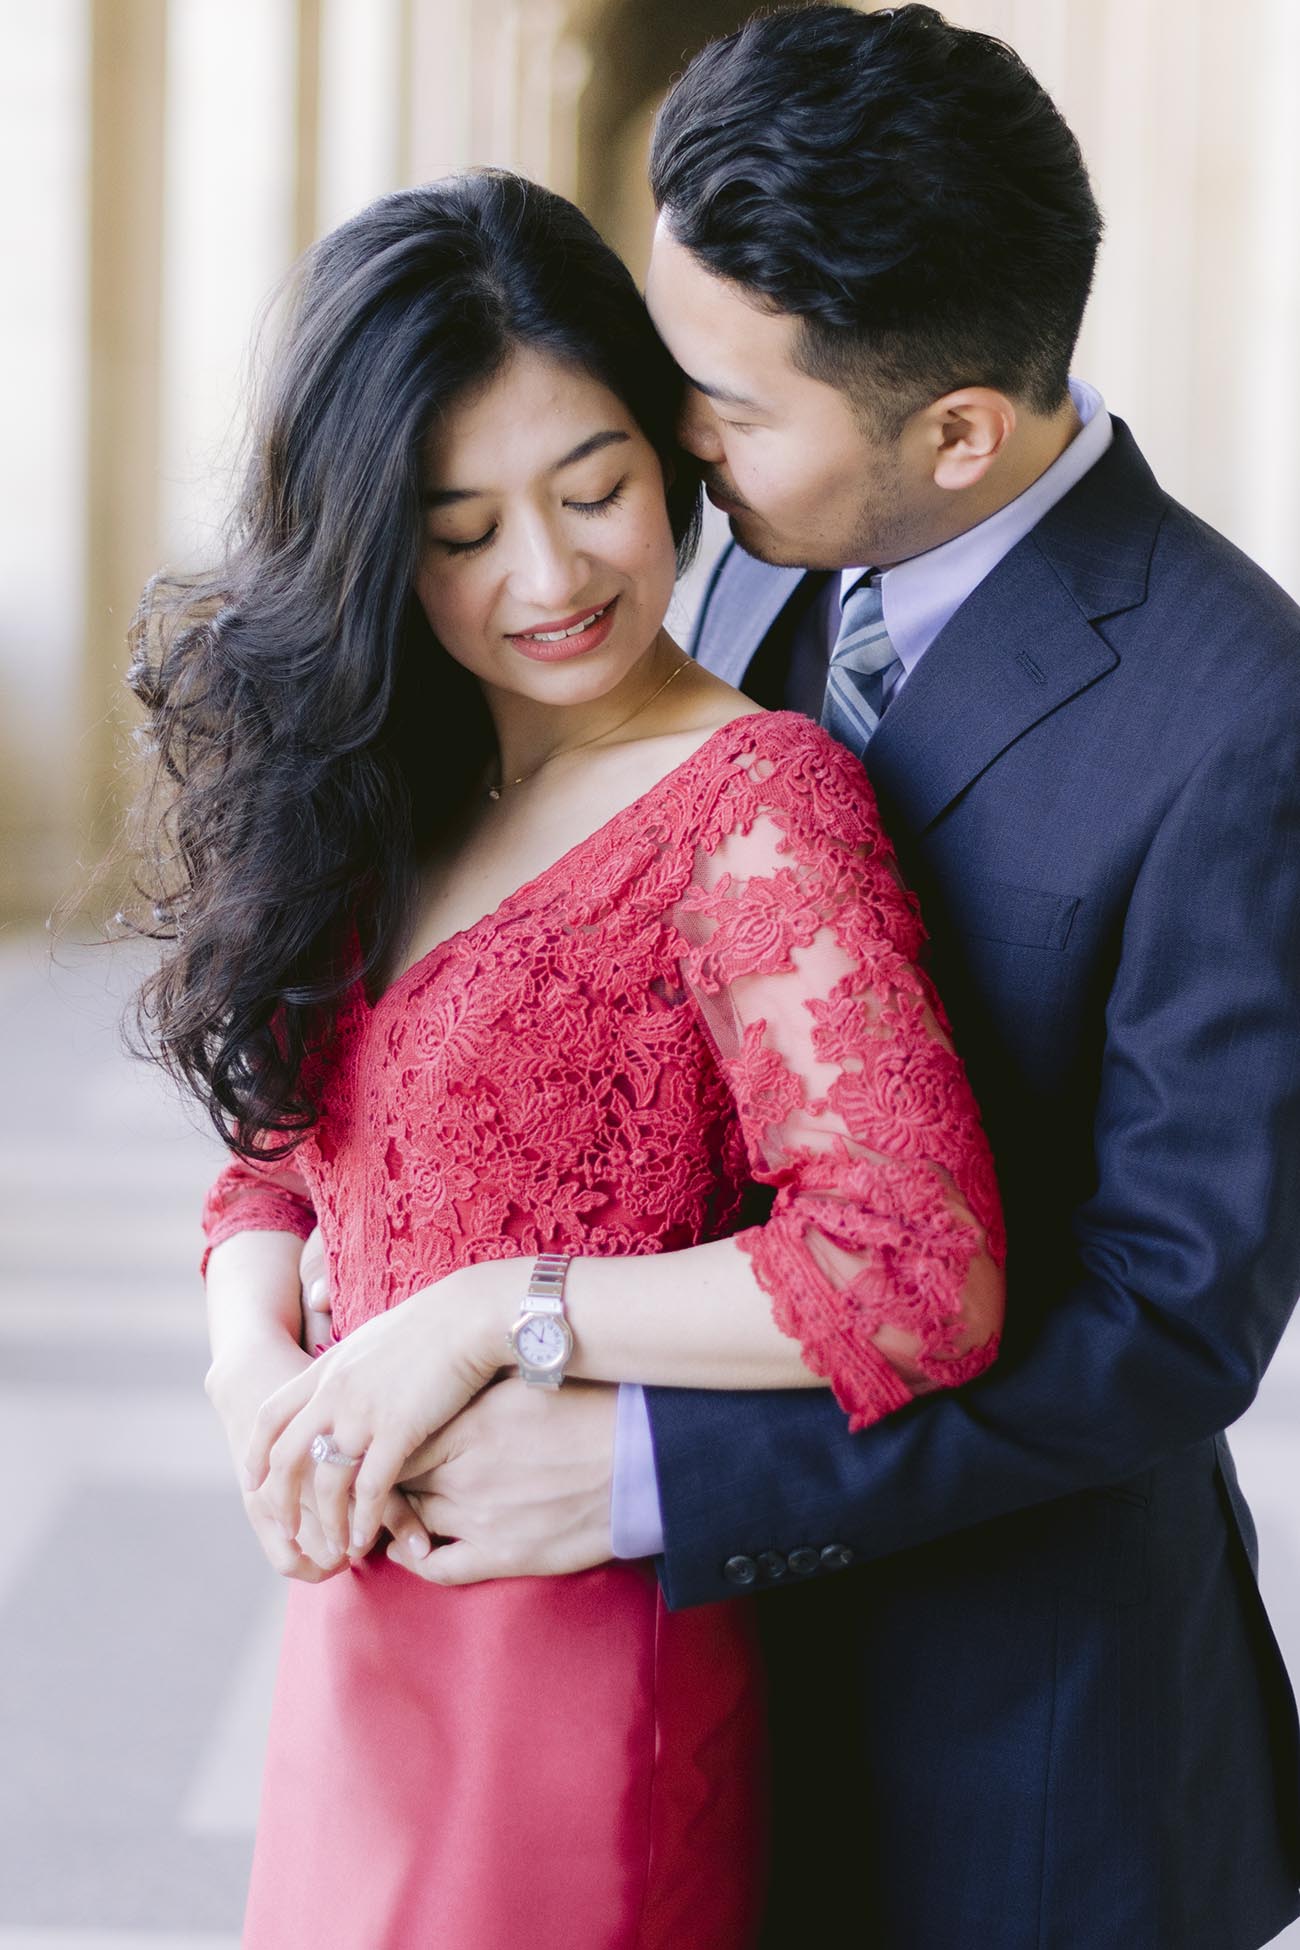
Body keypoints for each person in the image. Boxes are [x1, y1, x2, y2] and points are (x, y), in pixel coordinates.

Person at [297, 10, 1300, 1948]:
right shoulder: (733, 547)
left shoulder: (1237, 715)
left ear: (952, 431)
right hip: (665, 1708)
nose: (667, 445)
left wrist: (654, 1469)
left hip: (1012, 1743)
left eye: (727, 408)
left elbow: (1168, 1323)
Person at [127, 167, 1004, 1947]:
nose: (550, 577)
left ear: (671, 456)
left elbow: (915, 1270)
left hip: (575, 1652)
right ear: (372, 543)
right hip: (359, 1647)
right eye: (461, 531)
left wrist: (493, 1312)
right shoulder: (401, 772)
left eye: (595, 490)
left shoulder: (754, 803)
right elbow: (290, 1155)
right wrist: (250, 1366)